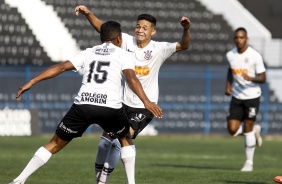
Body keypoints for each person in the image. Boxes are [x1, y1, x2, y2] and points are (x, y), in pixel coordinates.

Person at [9, 20, 163, 184]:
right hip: (109, 107)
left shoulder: (89, 52)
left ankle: (19, 180)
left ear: (101, 38)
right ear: (119, 39)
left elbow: (61, 67)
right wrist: (146, 101)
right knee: (125, 139)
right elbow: (131, 77)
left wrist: (31, 82)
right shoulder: (124, 54)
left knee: (54, 144)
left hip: (83, 105)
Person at [75, 5, 190, 184]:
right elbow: (103, 29)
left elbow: (184, 45)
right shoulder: (126, 41)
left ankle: (105, 180)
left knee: (119, 140)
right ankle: (99, 179)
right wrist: (88, 13)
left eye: (145, 27)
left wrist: (186, 29)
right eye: (138, 26)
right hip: (121, 104)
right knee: (104, 143)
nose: (140, 30)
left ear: (153, 31)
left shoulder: (159, 49)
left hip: (144, 106)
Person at [225, 27, 266, 172]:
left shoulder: (255, 56)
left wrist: (251, 78)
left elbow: (263, 78)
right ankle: (255, 129)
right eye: (236, 37)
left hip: (252, 97)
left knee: (247, 128)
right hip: (237, 96)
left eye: (241, 37)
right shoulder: (230, 54)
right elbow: (231, 71)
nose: (239, 40)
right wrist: (228, 85)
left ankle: (249, 163)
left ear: (247, 39)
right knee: (232, 129)